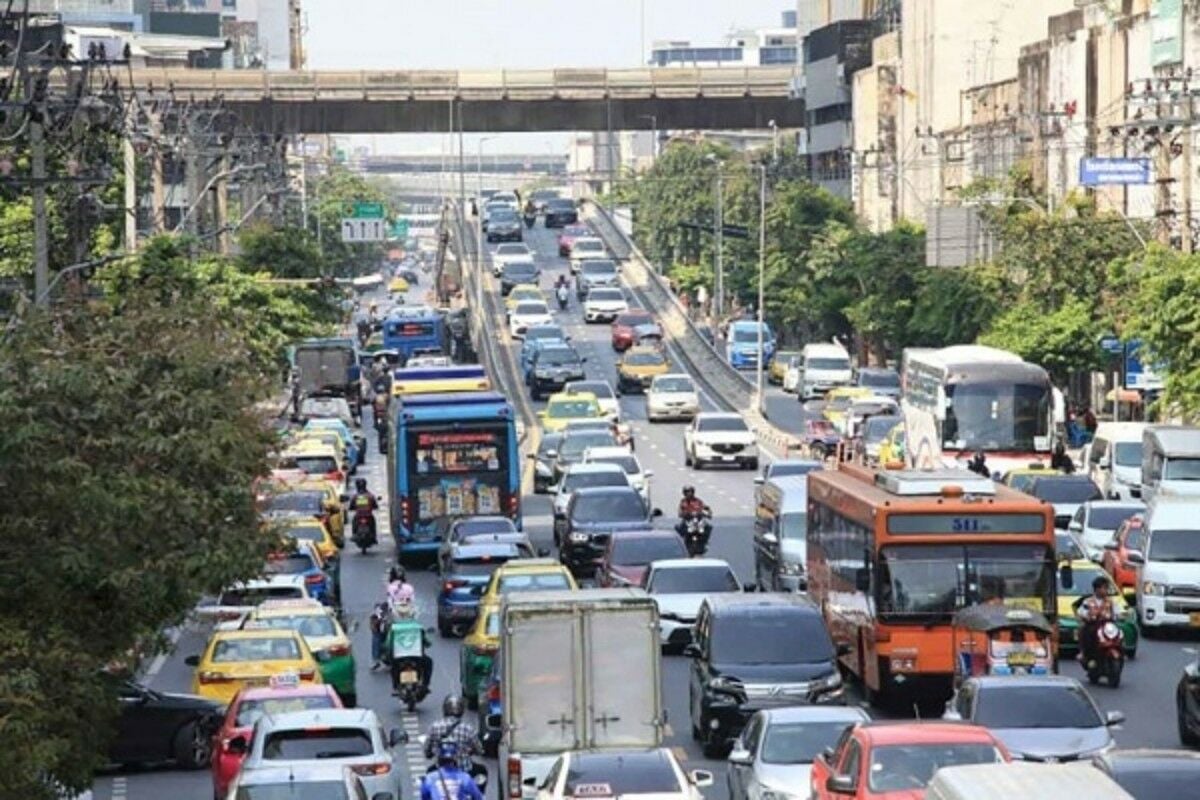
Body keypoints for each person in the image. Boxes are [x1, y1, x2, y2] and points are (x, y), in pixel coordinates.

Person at [425, 695, 481, 770]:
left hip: (440, 772)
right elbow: (479, 749)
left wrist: (431, 752)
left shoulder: (434, 727)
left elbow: (427, 750)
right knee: (481, 771)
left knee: (429, 773)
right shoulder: (468, 729)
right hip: (464, 769)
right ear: (461, 710)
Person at [1076, 575, 1116, 666]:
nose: (1106, 590)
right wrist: (1087, 615)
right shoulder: (1088, 601)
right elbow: (1081, 612)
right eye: (1104, 588)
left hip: (1107, 626)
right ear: (1097, 589)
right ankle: (1085, 654)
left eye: (1107, 588)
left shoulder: (1110, 601)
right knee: (1085, 632)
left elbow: (1117, 612)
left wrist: (1122, 615)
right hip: (1093, 625)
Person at [369, 600, 391, 671]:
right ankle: (376, 660)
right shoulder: (374, 616)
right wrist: (379, 621)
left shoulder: (391, 614)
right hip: (379, 633)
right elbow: (373, 628)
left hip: (389, 633)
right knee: (376, 638)